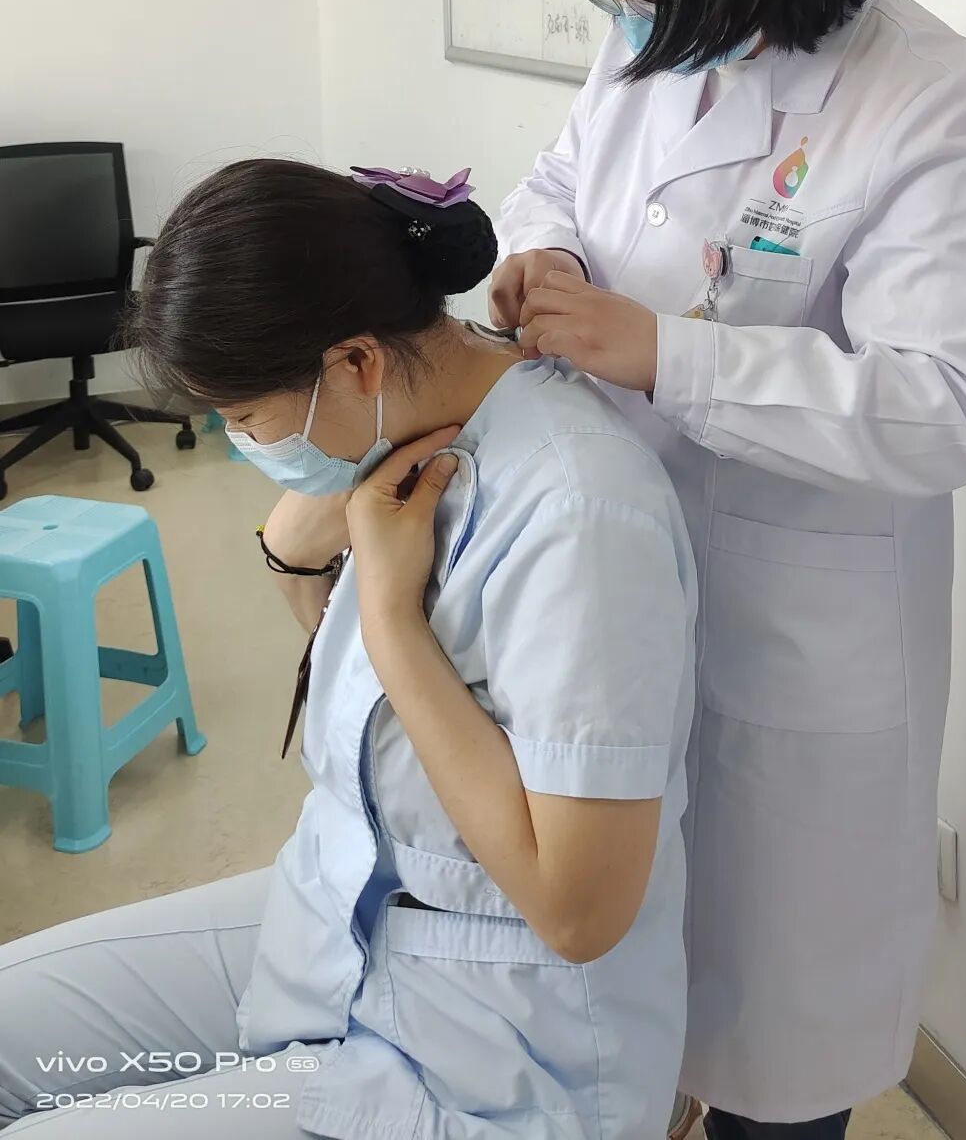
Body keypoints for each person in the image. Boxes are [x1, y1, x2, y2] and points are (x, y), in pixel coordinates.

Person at [491, 0, 966, 1140]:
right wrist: (544, 251)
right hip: (617, 570)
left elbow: (948, 405)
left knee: (776, 1029)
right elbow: (562, 173)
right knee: (629, 975)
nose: (623, 7)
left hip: (795, 633)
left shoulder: (929, 102)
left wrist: (670, 354)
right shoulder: (648, 30)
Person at [0, 159, 699, 1139]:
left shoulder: (580, 513)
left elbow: (579, 908)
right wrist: (300, 548)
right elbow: (379, 721)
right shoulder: (398, 442)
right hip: (346, 905)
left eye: (244, 418)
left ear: (357, 363)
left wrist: (390, 616)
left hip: (494, 1040)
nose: (241, 441)